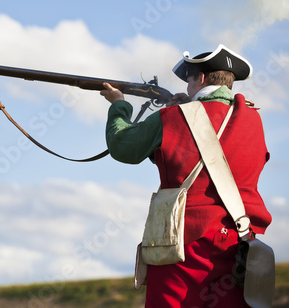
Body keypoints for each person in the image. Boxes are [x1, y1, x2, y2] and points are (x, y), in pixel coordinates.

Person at [100, 44, 272, 307]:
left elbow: (123, 146)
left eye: (189, 79)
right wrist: (187, 111)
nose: (187, 86)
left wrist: (119, 106)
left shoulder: (174, 117)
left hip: (182, 244)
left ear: (201, 78)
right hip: (240, 247)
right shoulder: (254, 120)